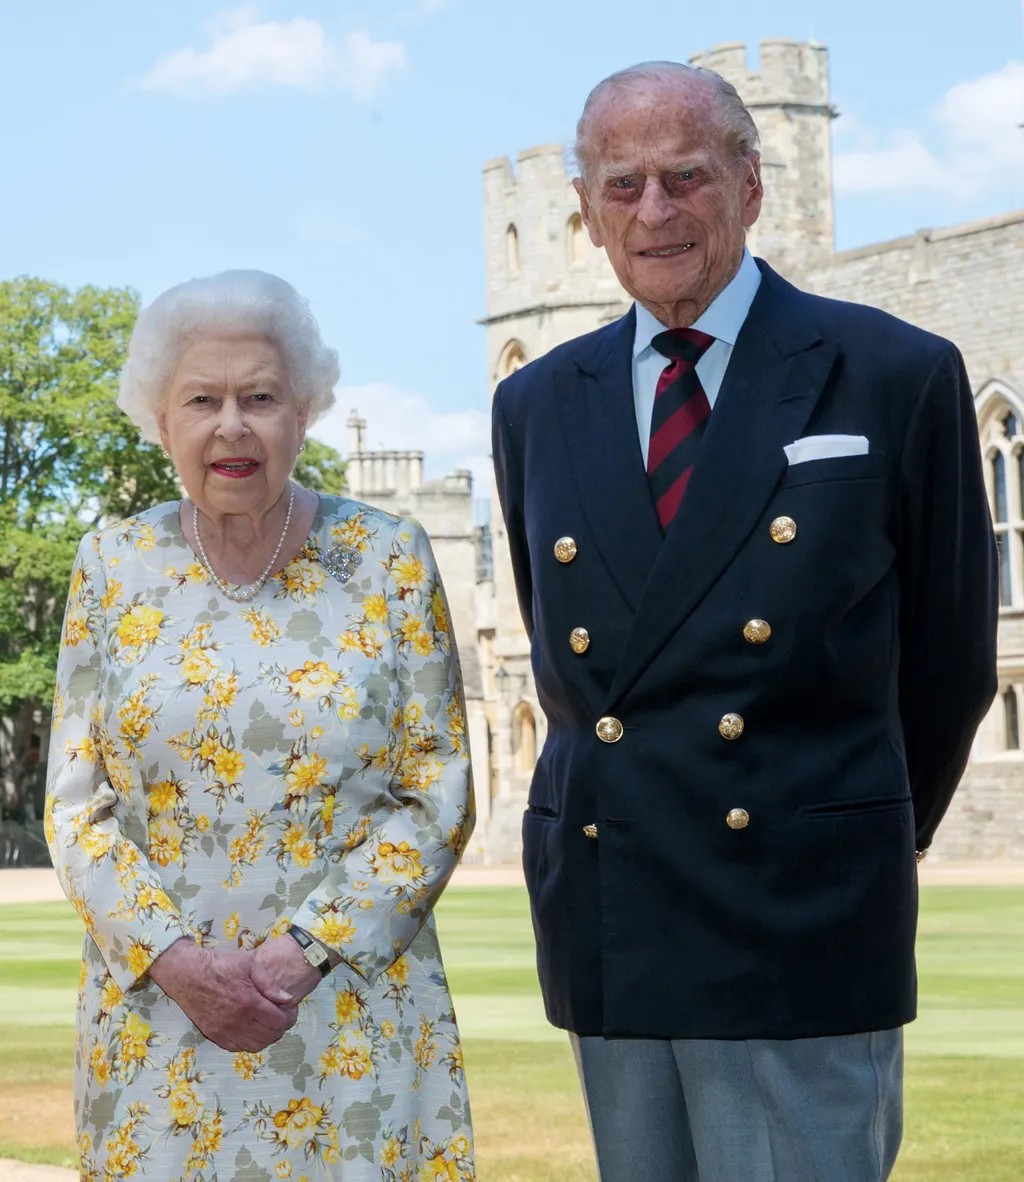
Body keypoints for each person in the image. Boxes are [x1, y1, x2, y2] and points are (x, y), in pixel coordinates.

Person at [491, 61, 997, 1181]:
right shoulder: (534, 402)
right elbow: (567, 655)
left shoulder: (890, 373)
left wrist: (838, 829)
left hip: (801, 914)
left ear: (751, 185)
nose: (655, 211)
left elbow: (953, 660)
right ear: (584, 212)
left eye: (685, 176)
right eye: (621, 186)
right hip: (616, 913)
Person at [45, 269, 476, 1181]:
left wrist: (303, 953)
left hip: (349, 1014)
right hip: (161, 1022)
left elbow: (437, 789)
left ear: (305, 413)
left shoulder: (390, 558)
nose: (232, 425)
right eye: (202, 399)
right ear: (160, 420)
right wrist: (178, 964)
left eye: (262, 397)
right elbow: (77, 805)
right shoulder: (110, 565)